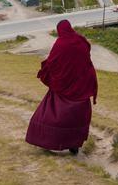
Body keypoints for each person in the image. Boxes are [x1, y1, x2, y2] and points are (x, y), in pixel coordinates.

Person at [25, 20, 97, 155]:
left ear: (60, 30)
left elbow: (52, 62)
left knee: (52, 114)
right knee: (77, 117)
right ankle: (74, 145)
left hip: (62, 87)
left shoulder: (61, 43)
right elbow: (86, 58)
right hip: (80, 87)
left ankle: (47, 141)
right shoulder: (81, 40)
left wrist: (46, 70)